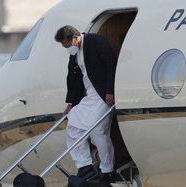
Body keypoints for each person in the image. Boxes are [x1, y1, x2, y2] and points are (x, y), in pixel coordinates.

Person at [54, 25, 117, 183]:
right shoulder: (74, 53)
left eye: (67, 45)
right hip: (89, 96)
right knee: (73, 125)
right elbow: (73, 79)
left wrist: (110, 90)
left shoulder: (96, 41)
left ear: (75, 38)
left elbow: (111, 64)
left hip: (103, 94)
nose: (66, 48)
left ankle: (107, 169)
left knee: (97, 130)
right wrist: (70, 104)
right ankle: (85, 167)